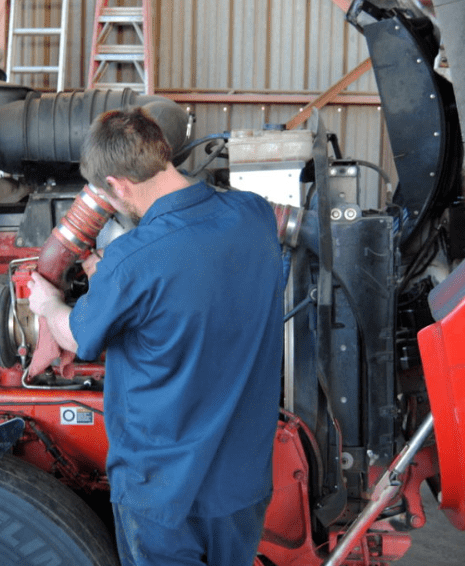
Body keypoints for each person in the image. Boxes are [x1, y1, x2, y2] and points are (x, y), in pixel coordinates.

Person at [27, 107, 283, 566]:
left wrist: (48, 304)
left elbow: (76, 333)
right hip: (241, 485)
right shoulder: (255, 214)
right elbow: (192, 282)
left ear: (118, 186)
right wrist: (116, 280)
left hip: (163, 493)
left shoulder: (131, 262)